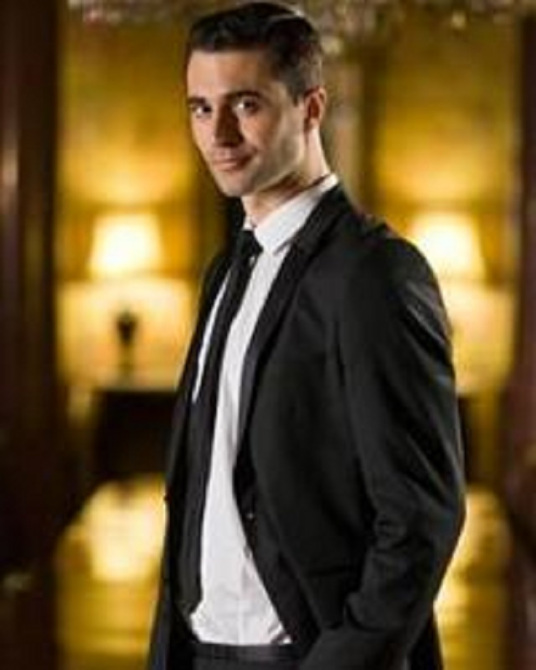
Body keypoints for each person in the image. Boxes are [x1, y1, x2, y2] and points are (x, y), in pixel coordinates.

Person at [147, 3, 465, 670]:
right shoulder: (226, 271)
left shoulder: (374, 274)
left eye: (246, 105)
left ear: (311, 108)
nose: (219, 134)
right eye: (201, 108)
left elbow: (420, 519)